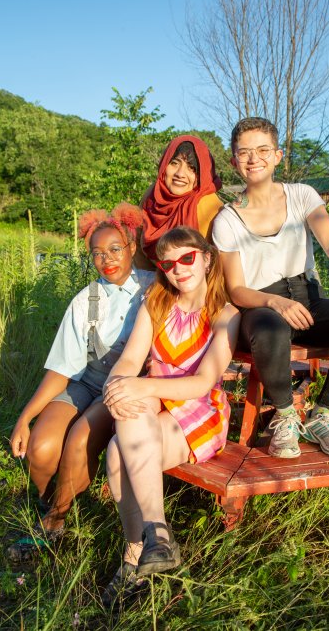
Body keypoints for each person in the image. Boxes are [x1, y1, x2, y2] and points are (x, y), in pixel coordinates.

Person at [212, 117, 329, 460]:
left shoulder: (301, 195)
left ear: (277, 155)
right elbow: (236, 289)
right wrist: (275, 303)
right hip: (261, 307)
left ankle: (323, 415)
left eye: (263, 150)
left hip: (308, 301)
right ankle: (285, 415)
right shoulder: (227, 219)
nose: (254, 159)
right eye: (244, 152)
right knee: (269, 327)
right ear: (234, 161)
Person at [100, 226, 239, 606]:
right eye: (169, 263)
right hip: (158, 404)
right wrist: (115, 390)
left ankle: (137, 554)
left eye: (187, 258)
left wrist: (141, 387)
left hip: (200, 412)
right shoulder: (157, 303)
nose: (179, 269)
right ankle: (154, 542)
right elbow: (130, 359)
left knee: (117, 452)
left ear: (206, 258)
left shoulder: (225, 314)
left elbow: (202, 382)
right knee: (124, 428)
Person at [8, 203, 154, 562]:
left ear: (132, 247)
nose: (107, 259)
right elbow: (62, 367)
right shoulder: (86, 300)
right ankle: (55, 500)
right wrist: (25, 418)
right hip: (87, 382)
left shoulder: (155, 289)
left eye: (115, 249)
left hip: (122, 387)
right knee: (41, 448)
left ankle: (54, 524)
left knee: (77, 441)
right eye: (97, 253)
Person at [138, 134, 223, 265]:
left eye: (192, 168)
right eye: (174, 163)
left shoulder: (207, 205)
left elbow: (216, 266)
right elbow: (138, 255)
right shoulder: (153, 196)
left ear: (202, 175)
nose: (180, 174)